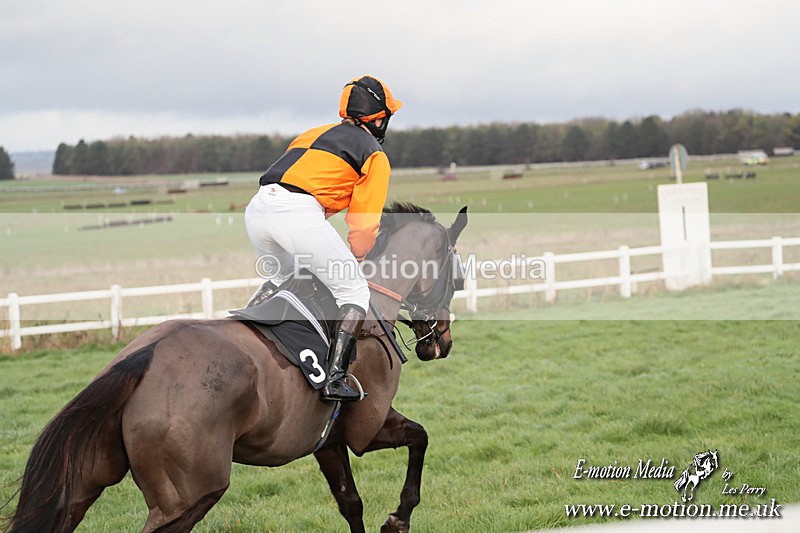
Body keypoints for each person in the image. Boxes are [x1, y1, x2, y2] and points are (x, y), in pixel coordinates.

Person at [244, 75, 402, 402]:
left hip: (257, 209)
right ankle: (335, 378)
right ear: (378, 118)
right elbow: (362, 220)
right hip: (297, 213)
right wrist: (358, 258)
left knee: (288, 278)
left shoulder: (312, 132)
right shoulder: (374, 154)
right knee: (354, 290)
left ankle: (245, 327)